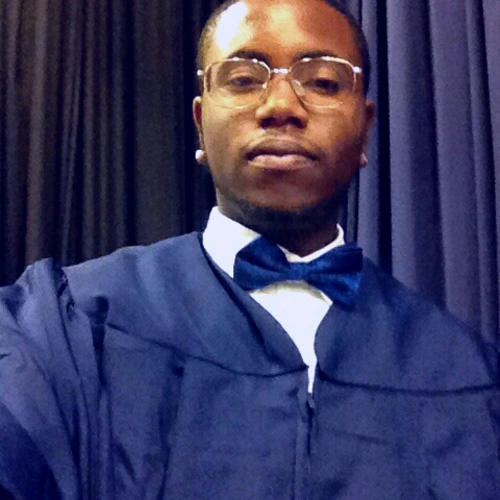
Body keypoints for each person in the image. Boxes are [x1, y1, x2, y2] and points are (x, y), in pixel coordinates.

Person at [0, 0, 498, 498]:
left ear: (364, 128)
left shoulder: (468, 374)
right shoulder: (62, 330)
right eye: (242, 79)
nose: (280, 105)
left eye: (323, 82)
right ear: (200, 124)